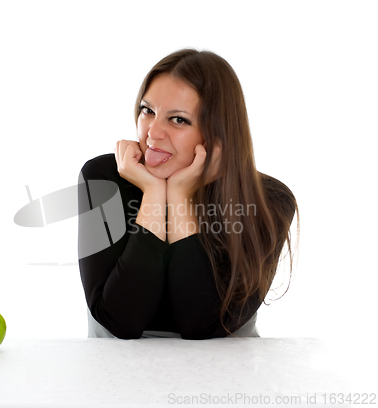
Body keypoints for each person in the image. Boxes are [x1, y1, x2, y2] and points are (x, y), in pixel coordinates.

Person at [77, 48, 298, 340]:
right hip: (117, 378)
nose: (153, 133)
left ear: (217, 134)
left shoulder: (269, 200)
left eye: (178, 120)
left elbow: (202, 325)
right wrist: (154, 193)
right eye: (148, 111)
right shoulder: (103, 179)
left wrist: (180, 197)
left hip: (226, 378)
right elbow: (119, 321)